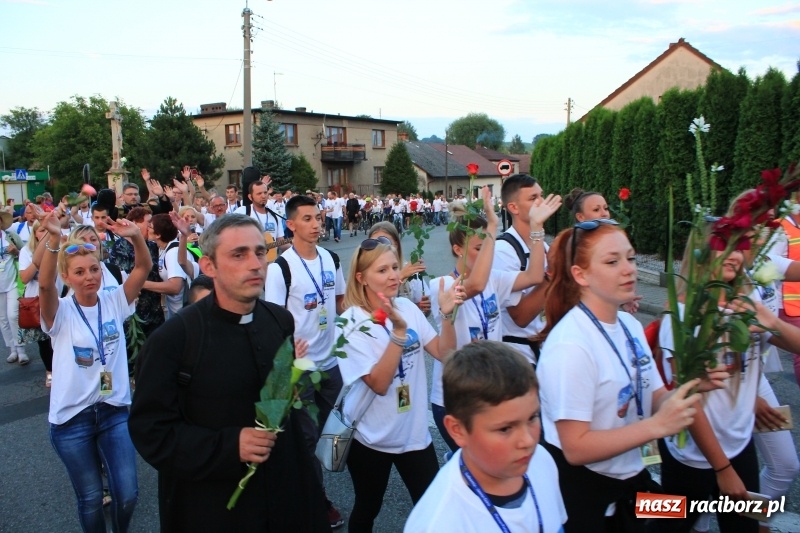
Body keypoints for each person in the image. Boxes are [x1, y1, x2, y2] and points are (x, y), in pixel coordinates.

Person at [128, 214, 329, 532]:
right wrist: (229, 445)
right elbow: (150, 431)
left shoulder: (279, 320)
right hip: (214, 507)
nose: (255, 264)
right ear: (209, 266)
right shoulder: (174, 339)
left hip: (283, 496)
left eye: (260, 252)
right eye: (239, 254)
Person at [536, 219, 712, 532]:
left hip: (633, 479)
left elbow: (656, 396)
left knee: (684, 512)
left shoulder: (630, 325)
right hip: (586, 495)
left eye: (630, 258)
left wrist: (692, 386)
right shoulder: (570, 346)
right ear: (581, 275)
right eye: (612, 262)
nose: (629, 269)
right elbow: (575, 448)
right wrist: (655, 427)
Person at [651, 225, 800, 533]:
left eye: (738, 246)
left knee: (744, 527)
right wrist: (723, 469)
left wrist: (771, 321)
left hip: (740, 445)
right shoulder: (683, 314)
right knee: (665, 523)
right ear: (700, 253)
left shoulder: (746, 304)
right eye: (722, 245)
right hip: (691, 457)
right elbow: (689, 400)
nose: (733, 254)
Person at [338, 235, 465, 533]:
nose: (393, 275)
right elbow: (379, 384)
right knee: (367, 508)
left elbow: (445, 353)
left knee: (431, 512)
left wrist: (447, 315)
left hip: (415, 436)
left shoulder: (406, 307)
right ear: (361, 278)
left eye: (395, 267)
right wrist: (398, 333)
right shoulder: (351, 323)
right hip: (371, 439)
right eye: (382, 270)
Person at [39, 209, 151, 533]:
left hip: (113, 410)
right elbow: (44, 286)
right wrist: (54, 239)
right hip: (72, 420)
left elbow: (142, 268)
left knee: (127, 494)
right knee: (90, 499)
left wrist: (137, 237)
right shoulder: (60, 313)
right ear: (67, 277)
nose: (89, 276)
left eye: (94, 269)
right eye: (79, 272)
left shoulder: (114, 301)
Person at [429, 186, 556, 451]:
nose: (489, 254)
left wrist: (536, 229)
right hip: (455, 398)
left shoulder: (494, 280)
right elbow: (474, 285)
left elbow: (534, 276)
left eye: (489, 246)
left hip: (489, 389)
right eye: (480, 247)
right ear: (458, 249)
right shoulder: (442, 286)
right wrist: (493, 225)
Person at [404, 341, 567, 533]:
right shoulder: (439, 524)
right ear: (457, 430)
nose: (528, 441)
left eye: (532, 418)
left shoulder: (542, 460)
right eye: (505, 429)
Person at [264, 195, 346, 528]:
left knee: (336, 433)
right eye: (308, 219)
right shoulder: (280, 268)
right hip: (300, 370)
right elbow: (273, 322)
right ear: (291, 224)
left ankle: (307, 487)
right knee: (308, 439)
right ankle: (317, 501)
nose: (316, 225)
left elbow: (340, 301)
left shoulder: (331, 258)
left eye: (318, 218)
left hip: (331, 364)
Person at [367, 221, 430, 315]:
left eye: (385, 242)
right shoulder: (366, 273)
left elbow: (424, 312)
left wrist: (424, 308)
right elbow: (369, 308)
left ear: (396, 244)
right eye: (373, 244)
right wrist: (401, 276)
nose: (379, 248)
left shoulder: (410, 271)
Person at [142, 213, 186, 319]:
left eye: (150, 227)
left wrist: (141, 283)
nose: (147, 229)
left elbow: (175, 287)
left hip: (184, 314)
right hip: (175, 312)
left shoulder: (173, 253)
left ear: (158, 235)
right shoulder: (162, 248)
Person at [0, 210, 26, 364]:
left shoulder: (10, 237)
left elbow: (26, 253)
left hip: (13, 283)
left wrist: (16, 251)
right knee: (3, 319)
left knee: (13, 316)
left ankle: (21, 350)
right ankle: (12, 349)